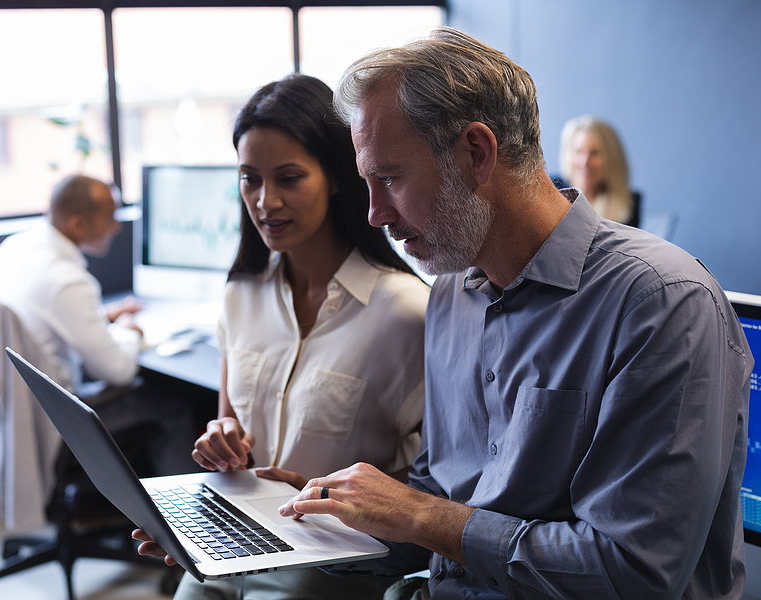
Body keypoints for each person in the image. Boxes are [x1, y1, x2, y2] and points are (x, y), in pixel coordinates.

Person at [268, 28, 750, 600]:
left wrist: (422, 516)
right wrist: (313, 517)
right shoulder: (451, 291)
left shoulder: (660, 302)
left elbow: (635, 573)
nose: (375, 214)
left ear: (476, 152)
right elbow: (439, 493)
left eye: (390, 179)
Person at [137, 74, 431, 600]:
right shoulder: (241, 294)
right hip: (237, 532)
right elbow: (229, 422)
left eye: (289, 178)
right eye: (250, 179)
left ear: (338, 176)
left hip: (336, 550)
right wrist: (220, 440)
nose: (265, 201)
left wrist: (332, 493)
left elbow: (443, 480)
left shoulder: (404, 312)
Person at [0, 174, 143, 393]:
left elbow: (46, 319)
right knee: (174, 402)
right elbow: (118, 371)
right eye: (109, 219)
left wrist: (101, 315)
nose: (116, 227)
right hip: (59, 417)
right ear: (78, 224)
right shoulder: (65, 281)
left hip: (14, 403)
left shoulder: (12, 248)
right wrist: (128, 331)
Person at [558, 114, 638, 227]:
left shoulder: (627, 204)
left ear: (612, 158)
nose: (585, 162)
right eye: (578, 151)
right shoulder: (549, 189)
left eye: (595, 153)